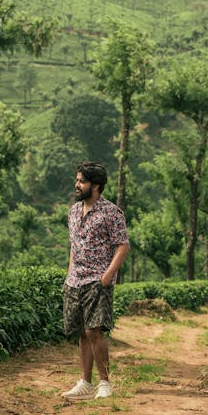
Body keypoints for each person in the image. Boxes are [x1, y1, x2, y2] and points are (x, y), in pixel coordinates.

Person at [61, 161, 130, 400]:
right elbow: (74, 246)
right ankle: (85, 383)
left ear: (96, 185)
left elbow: (122, 245)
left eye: (82, 181)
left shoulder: (111, 212)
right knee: (82, 332)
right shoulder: (73, 211)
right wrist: (69, 275)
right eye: (77, 180)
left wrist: (108, 275)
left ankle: (104, 383)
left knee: (94, 331)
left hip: (97, 279)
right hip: (75, 280)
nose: (77, 184)